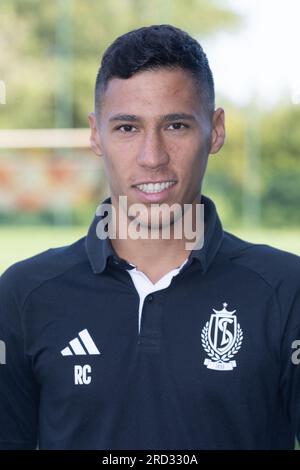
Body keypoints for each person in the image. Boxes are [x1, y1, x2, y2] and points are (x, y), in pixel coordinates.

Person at [0, 24, 299, 451]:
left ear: (215, 131)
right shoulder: (23, 295)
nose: (152, 157)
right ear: (94, 134)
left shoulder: (287, 289)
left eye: (176, 125)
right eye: (127, 128)